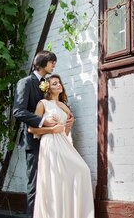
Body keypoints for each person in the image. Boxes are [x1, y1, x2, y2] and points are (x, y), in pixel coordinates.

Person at [28, 74, 94, 218]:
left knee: (83, 170)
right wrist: (51, 130)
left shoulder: (64, 106)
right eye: (54, 83)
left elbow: (65, 131)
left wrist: (69, 125)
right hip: (50, 144)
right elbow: (31, 130)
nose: (58, 85)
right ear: (48, 88)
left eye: (59, 83)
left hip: (63, 142)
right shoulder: (43, 104)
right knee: (55, 181)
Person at [12, 50, 62, 218]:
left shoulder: (47, 84)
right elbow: (18, 111)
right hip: (33, 141)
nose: (54, 64)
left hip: (51, 141)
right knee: (35, 184)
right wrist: (42, 122)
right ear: (42, 63)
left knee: (50, 183)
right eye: (51, 61)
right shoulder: (25, 82)